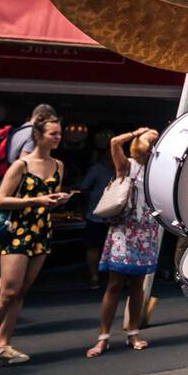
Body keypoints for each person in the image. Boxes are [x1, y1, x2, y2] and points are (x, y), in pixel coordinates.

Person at [0, 115, 68, 372]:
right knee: (8, 292)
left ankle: (3, 345)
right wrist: (37, 201)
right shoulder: (21, 165)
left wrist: (57, 200)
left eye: (59, 133)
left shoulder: (58, 165)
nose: (58, 137)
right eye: (53, 133)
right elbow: (1, 200)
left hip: (41, 231)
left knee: (21, 292)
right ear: (38, 136)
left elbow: (49, 196)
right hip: (18, 231)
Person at [0, 103, 56, 340]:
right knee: (11, 281)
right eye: (53, 131)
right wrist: (42, 198)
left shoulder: (10, 133)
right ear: (40, 125)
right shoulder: (29, 142)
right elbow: (25, 174)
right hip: (15, 215)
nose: (57, 137)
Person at [85, 128, 162, 360]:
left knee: (137, 286)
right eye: (151, 140)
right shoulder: (126, 165)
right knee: (114, 284)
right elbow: (114, 141)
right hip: (124, 229)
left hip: (145, 230)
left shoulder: (155, 169)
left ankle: (133, 332)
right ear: (139, 143)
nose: (154, 144)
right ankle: (103, 337)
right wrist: (138, 132)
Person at [79, 133, 115, 290]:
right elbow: (84, 188)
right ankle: (94, 276)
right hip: (95, 216)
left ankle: (114, 278)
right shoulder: (97, 169)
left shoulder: (121, 168)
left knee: (115, 248)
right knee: (93, 246)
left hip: (114, 216)